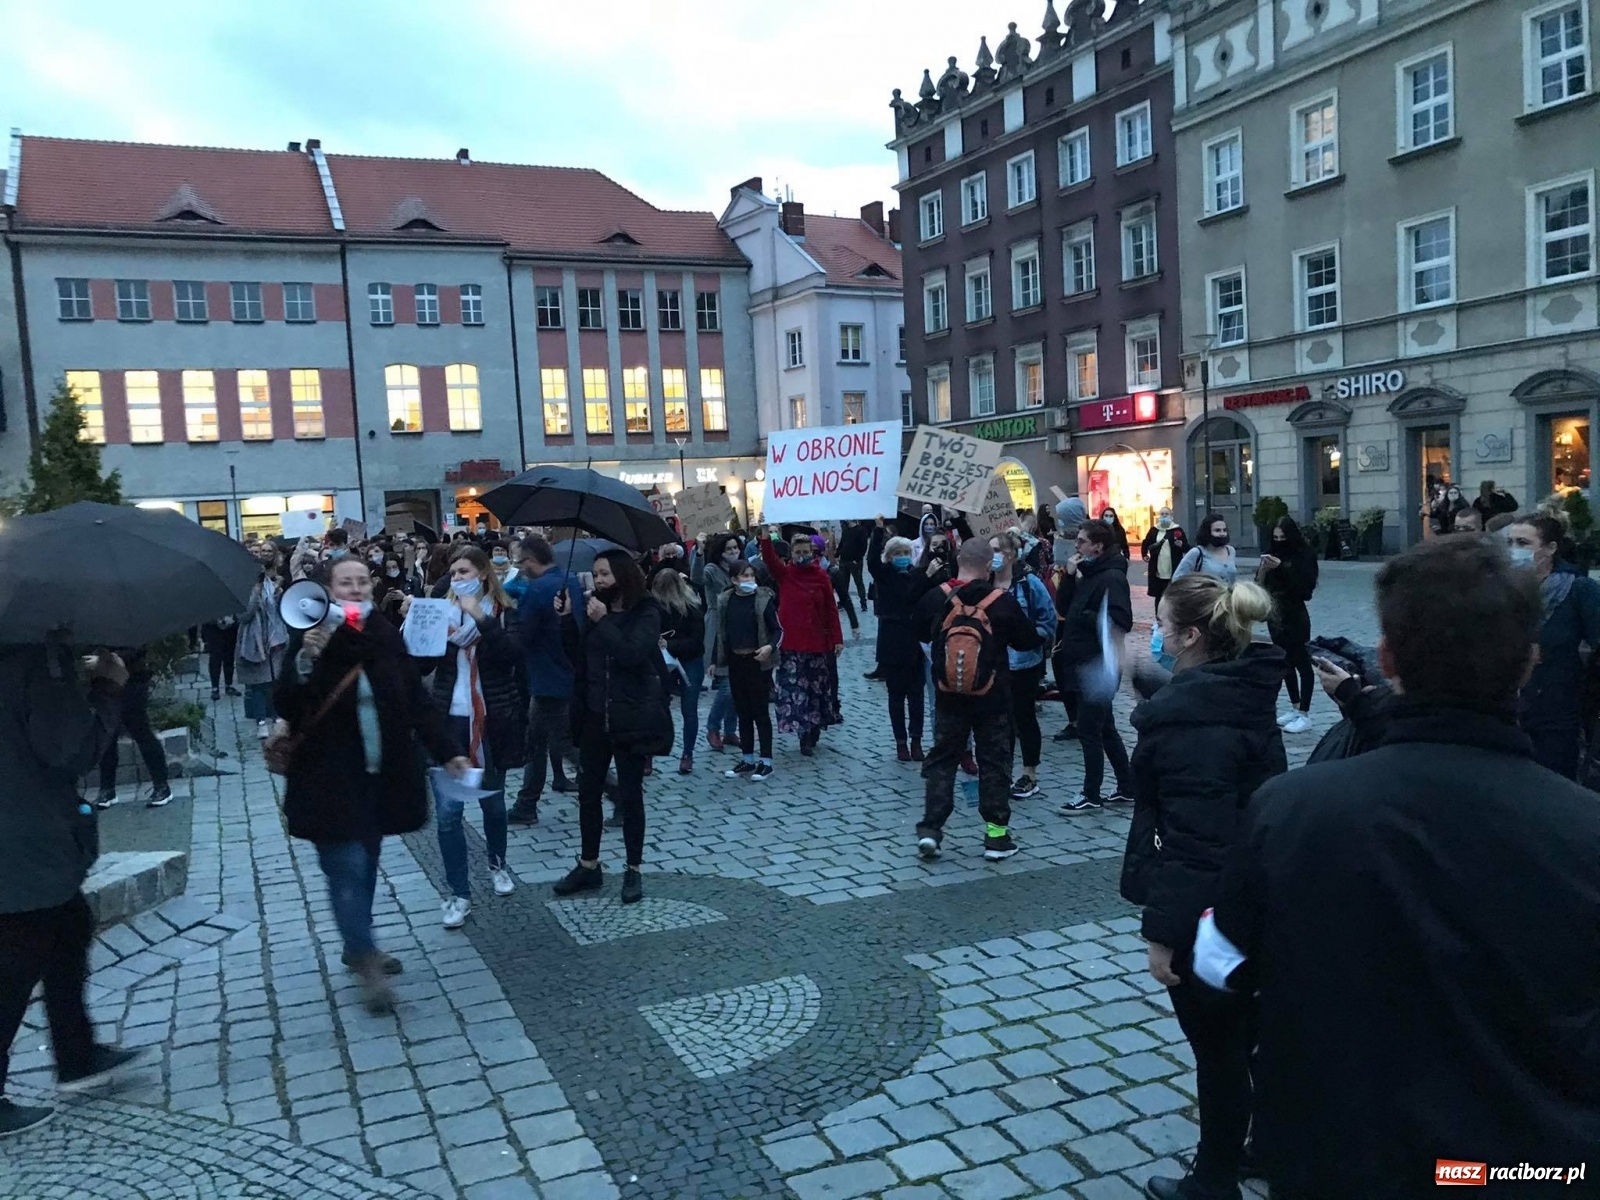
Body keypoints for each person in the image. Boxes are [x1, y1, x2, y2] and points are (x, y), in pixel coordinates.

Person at [1199, 535, 1600, 1200]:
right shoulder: (1585, 830)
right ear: (1530, 663)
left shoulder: (1292, 808)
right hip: (1524, 1166)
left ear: (1386, 659)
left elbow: (1219, 967)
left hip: (1341, 1156)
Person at [1121, 575, 1286, 1200]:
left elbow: (1197, 839)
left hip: (1211, 914)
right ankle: (1267, 1145)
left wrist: (1163, 933)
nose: (1156, 637)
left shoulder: (1188, 722)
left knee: (1219, 1051)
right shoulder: (1243, 692)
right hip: (1259, 894)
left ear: (1191, 636)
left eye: (1162, 627)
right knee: (1252, 1038)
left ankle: (1214, 1179)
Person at [276, 558, 468, 1011]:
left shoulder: (383, 633)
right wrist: (306, 661)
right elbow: (286, 702)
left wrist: (447, 750)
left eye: (362, 581)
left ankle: (356, 940)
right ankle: (366, 961)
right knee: (346, 867)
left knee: (365, 864)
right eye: (346, 582)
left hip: (379, 776)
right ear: (329, 589)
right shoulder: (311, 633)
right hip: (328, 779)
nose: (356, 588)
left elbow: (415, 699)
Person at [0, 642, 144, 1134]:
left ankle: (77, 1054)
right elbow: (70, 750)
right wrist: (107, 688)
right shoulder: (31, 659)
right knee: (16, 965)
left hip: (24, 839)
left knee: (68, 928)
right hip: (24, 839)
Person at [407, 547, 525, 928]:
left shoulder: (503, 612)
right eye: (454, 572)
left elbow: (512, 655)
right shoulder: (442, 612)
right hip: (449, 722)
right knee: (448, 814)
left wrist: (481, 618)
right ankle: (458, 893)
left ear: (483, 575)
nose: (457, 578)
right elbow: (420, 665)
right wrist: (416, 629)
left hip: (490, 721)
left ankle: (497, 863)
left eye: (464, 572)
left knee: (493, 804)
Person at [552, 550, 670, 905]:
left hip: (631, 718)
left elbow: (631, 654)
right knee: (589, 793)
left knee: (631, 796)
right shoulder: (595, 609)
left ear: (623, 574)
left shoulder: (646, 610)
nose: (599, 580)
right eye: (596, 574)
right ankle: (589, 864)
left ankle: (633, 869)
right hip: (594, 717)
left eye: (605, 574)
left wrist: (603, 621)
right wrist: (566, 620)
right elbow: (580, 657)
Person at [913, 538, 1041, 861]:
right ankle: (996, 838)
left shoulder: (937, 596)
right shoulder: (1001, 602)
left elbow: (917, 630)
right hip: (993, 698)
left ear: (958, 560)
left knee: (943, 759)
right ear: (988, 565)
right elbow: (1027, 641)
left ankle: (930, 831)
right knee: (994, 761)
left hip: (948, 696)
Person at [1504, 514, 1600, 778]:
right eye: (1510, 543)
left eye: (1523, 543)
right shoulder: (1503, 591)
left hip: (1557, 712)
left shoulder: (1577, 589)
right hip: (1507, 712)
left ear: (1550, 548)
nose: (1514, 550)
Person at [1057, 520, 1134, 812]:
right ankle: (1127, 786)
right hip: (1083, 661)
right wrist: (1068, 577)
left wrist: (1088, 616)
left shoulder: (1112, 577)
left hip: (1100, 665)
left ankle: (1091, 793)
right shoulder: (1089, 574)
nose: (1076, 546)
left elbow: (1121, 621)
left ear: (1097, 546)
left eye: (1081, 541)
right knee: (1106, 728)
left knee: (1089, 729)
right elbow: (1064, 608)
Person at [505, 538, 577, 824]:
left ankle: (618, 794)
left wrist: (510, 610)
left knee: (567, 747)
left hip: (547, 675)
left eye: (521, 563)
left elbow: (523, 636)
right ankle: (526, 803)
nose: (521, 569)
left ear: (532, 560)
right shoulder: (569, 579)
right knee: (536, 742)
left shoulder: (536, 589)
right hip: (563, 672)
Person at [760, 530, 844, 755]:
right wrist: (765, 535)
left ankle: (814, 726)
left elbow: (831, 609)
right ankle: (803, 732)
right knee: (796, 689)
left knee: (815, 689)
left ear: (812, 552)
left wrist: (837, 639)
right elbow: (769, 558)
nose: (802, 556)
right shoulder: (786, 574)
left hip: (817, 643)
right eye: (797, 552)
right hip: (791, 643)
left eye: (805, 552)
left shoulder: (821, 576)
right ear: (792, 554)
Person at [992, 530, 1055, 800]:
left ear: (1009, 555)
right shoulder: (986, 582)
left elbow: (1047, 619)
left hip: (1024, 662)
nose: (992, 556)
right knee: (1000, 720)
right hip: (994, 663)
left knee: (1024, 717)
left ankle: (1030, 774)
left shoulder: (1029, 583)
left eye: (996, 550)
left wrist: (1030, 638)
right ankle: (1002, 771)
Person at [868, 520, 937, 762]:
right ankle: (900, 742)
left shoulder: (916, 574)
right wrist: (878, 531)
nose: (903, 557)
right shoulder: (885, 575)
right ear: (889, 557)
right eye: (897, 553)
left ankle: (916, 740)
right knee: (896, 696)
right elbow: (872, 562)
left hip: (914, 642)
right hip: (893, 642)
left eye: (906, 552)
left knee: (916, 696)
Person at [714, 559, 781, 781]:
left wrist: (770, 647)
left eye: (751, 575)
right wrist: (715, 660)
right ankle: (748, 758)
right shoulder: (726, 600)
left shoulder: (763, 599)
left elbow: (777, 630)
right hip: (736, 661)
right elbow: (721, 632)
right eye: (745, 576)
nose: (749, 579)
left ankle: (766, 761)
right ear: (734, 580)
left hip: (757, 661)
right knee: (743, 712)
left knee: (760, 712)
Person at [1256, 516, 1319, 735]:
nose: (1279, 541)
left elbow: (1305, 588)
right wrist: (1264, 570)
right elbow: (1259, 585)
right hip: (1275, 614)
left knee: (1302, 662)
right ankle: (1295, 706)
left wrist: (1282, 567)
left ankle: (1305, 713)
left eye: (1283, 537)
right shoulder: (1272, 553)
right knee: (1285, 663)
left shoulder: (1304, 555)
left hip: (1295, 613)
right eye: (1276, 537)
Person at [93, 646, 172, 809]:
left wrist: (105, 659)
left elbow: (135, 649)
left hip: (132, 683)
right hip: (105, 684)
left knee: (141, 732)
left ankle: (162, 786)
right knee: (107, 737)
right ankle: (107, 789)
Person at [652, 567, 706, 775]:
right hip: (663, 662)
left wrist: (670, 644)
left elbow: (696, 641)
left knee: (689, 710)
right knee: (656, 709)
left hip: (689, 660)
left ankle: (687, 754)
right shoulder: (655, 608)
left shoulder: (691, 607)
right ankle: (649, 755)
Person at [696, 533, 744, 751]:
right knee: (727, 685)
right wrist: (698, 552)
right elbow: (697, 577)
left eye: (735, 548)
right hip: (717, 627)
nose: (733, 552)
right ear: (720, 552)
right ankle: (713, 727)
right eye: (729, 549)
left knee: (737, 685)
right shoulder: (712, 569)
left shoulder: (741, 568)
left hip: (737, 625)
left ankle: (730, 731)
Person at [237, 539, 288, 740]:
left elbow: (280, 610)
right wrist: (256, 594)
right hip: (254, 639)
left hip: (275, 639)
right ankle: (260, 721)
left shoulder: (274, 582)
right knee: (258, 683)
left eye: (267, 552)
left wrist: (278, 593)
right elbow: (244, 616)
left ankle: (275, 716)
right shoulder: (246, 584)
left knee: (274, 681)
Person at [1140, 508, 1189, 605]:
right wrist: (1144, 554)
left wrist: (1181, 545)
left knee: (1172, 596)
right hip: (1157, 568)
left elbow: (1186, 547)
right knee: (1159, 596)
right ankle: (1158, 613)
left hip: (1173, 567)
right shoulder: (1154, 530)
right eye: (1162, 514)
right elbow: (1146, 543)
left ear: (1171, 516)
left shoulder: (1177, 530)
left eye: (1167, 514)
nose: (1164, 516)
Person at [1172, 514, 1238, 584]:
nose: (1222, 534)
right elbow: (1177, 579)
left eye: (1224, 530)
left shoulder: (1230, 551)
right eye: (1217, 530)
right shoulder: (1196, 553)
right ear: (1207, 533)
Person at [201, 616, 239, 701]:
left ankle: (229, 685)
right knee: (215, 659)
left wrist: (232, 619)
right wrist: (217, 620)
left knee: (229, 657)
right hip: (213, 629)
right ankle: (215, 688)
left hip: (230, 629)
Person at [838, 519, 870, 608]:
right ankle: (843, 602)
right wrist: (838, 554)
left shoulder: (860, 530)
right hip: (844, 560)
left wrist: (858, 559)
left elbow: (863, 546)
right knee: (843, 583)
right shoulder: (846, 530)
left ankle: (863, 602)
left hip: (855, 561)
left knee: (858, 582)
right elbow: (842, 542)